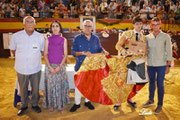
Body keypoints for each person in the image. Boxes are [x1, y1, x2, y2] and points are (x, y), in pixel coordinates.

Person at [70, 20, 108, 112]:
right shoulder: (77, 38)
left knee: (90, 85)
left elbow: (99, 48)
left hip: (92, 67)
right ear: (82, 27)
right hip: (80, 67)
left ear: (92, 28)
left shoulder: (96, 39)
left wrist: (103, 51)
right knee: (78, 86)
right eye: (85, 26)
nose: (87, 28)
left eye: (89, 26)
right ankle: (77, 103)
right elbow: (73, 52)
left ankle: (87, 101)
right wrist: (83, 53)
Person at [9, 16, 44, 116]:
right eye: (27, 22)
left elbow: (42, 51)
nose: (29, 24)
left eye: (32, 22)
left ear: (35, 24)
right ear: (23, 24)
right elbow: (13, 50)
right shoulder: (16, 36)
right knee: (23, 88)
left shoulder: (40, 37)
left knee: (35, 88)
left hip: (35, 68)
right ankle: (23, 105)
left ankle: (34, 104)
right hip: (21, 68)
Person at [115, 16, 147, 110]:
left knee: (133, 81)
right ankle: (119, 100)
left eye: (140, 24)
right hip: (127, 60)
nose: (139, 26)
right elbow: (118, 45)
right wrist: (125, 52)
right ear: (133, 25)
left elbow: (145, 50)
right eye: (137, 24)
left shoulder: (144, 37)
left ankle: (130, 98)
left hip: (137, 62)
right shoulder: (127, 33)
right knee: (122, 80)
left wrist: (143, 54)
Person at [142, 17, 172, 114]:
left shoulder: (166, 37)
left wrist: (168, 66)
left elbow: (169, 51)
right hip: (150, 64)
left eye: (157, 24)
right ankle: (151, 100)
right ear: (151, 25)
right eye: (154, 24)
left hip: (161, 65)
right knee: (151, 83)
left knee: (160, 84)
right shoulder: (147, 37)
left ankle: (160, 104)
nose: (155, 26)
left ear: (160, 25)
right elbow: (145, 50)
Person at [43, 20, 70, 112]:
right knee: (51, 87)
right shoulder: (47, 39)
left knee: (60, 86)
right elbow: (45, 54)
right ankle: (51, 105)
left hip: (60, 66)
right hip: (49, 66)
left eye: (57, 26)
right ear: (51, 28)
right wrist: (50, 67)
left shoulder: (64, 40)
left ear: (60, 28)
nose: (55, 28)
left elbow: (65, 54)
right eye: (53, 26)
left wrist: (59, 66)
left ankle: (60, 104)